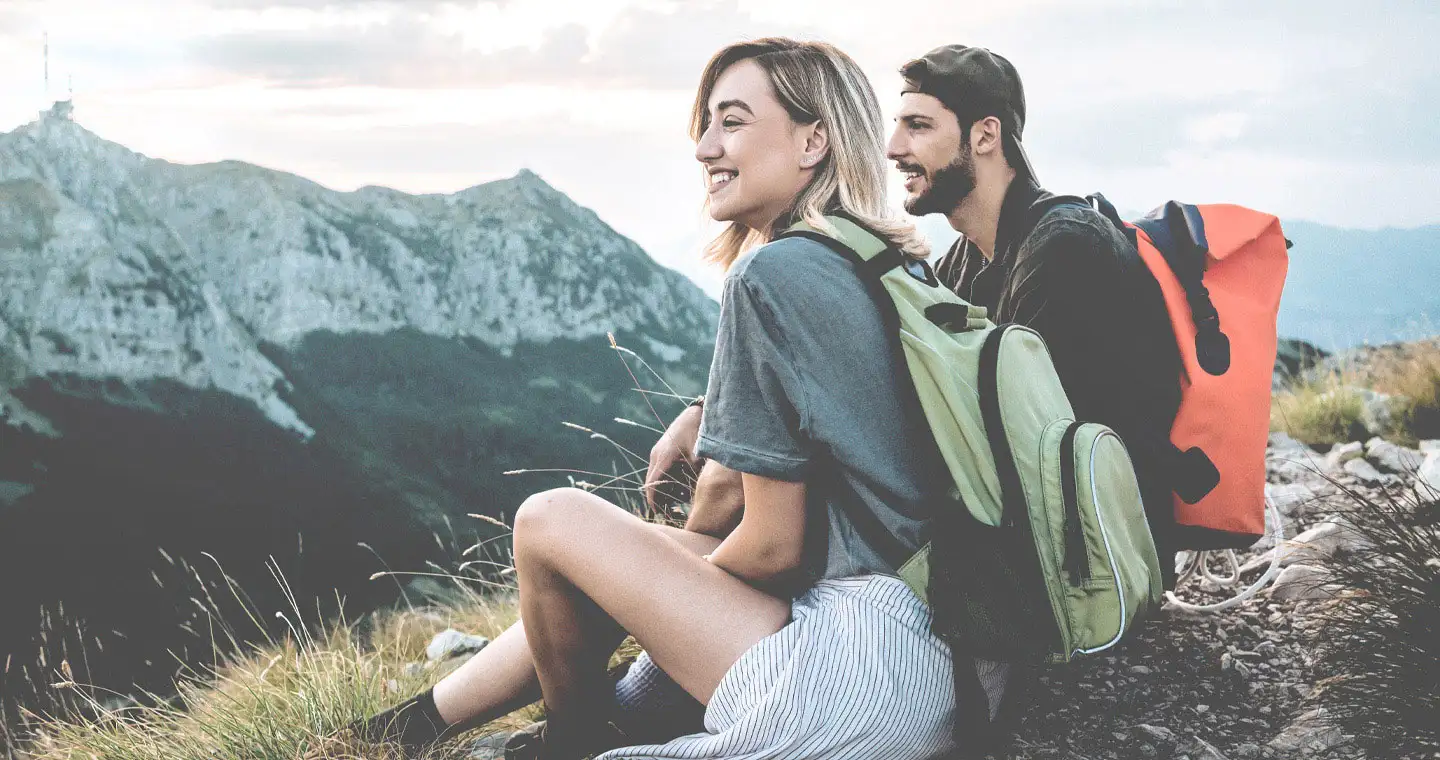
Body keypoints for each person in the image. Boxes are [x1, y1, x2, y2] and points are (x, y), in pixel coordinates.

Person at [336, 37, 1005, 760]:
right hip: (952, 665)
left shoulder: (773, 276)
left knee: (550, 520)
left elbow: (776, 551)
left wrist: (646, 605)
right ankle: (407, 727)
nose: (704, 148)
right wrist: (657, 568)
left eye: (733, 121)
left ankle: (571, 744)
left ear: (814, 140)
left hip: (855, 673)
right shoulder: (891, 265)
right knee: (629, 559)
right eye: (706, 124)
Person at [884, 44, 1183, 589]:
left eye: (918, 127)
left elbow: (1021, 440)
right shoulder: (971, 255)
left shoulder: (1064, 249)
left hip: (1093, 565)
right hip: (1049, 536)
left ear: (985, 135)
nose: (893, 147)